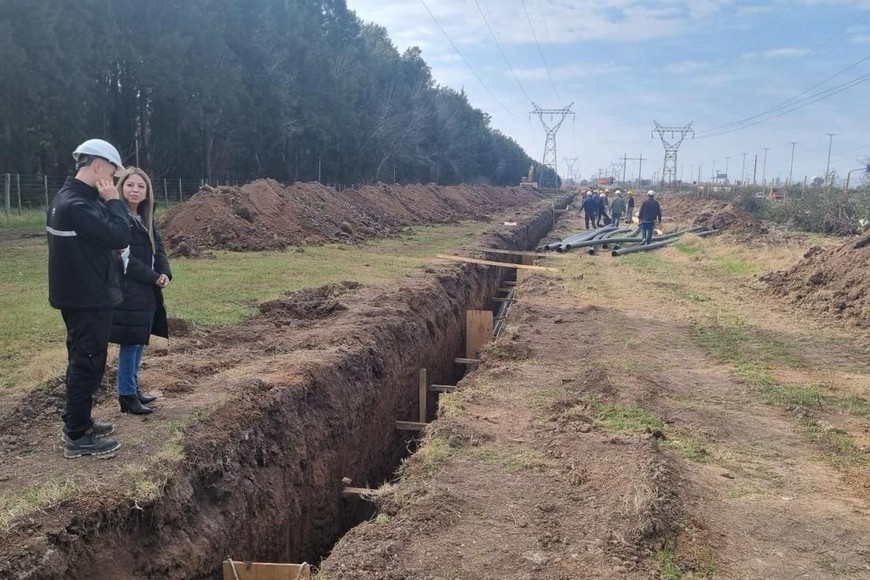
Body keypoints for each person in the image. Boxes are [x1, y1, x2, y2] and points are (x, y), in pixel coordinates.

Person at [48, 139, 129, 458]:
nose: (114, 180)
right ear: (98, 167)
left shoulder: (68, 198)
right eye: (112, 172)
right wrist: (113, 200)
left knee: (83, 359)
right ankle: (77, 435)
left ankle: (78, 420)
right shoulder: (78, 205)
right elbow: (120, 235)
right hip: (87, 297)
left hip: (80, 294)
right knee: (88, 362)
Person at [109, 168, 172, 415]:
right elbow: (125, 259)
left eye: (141, 186)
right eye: (130, 185)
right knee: (130, 341)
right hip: (128, 289)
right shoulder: (119, 219)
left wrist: (165, 272)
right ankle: (126, 396)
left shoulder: (145, 218)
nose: (135, 190)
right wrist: (154, 277)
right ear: (121, 188)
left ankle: (133, 389)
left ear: (147, 193)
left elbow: (160, 249)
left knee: (139, 340)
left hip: (146, 289)